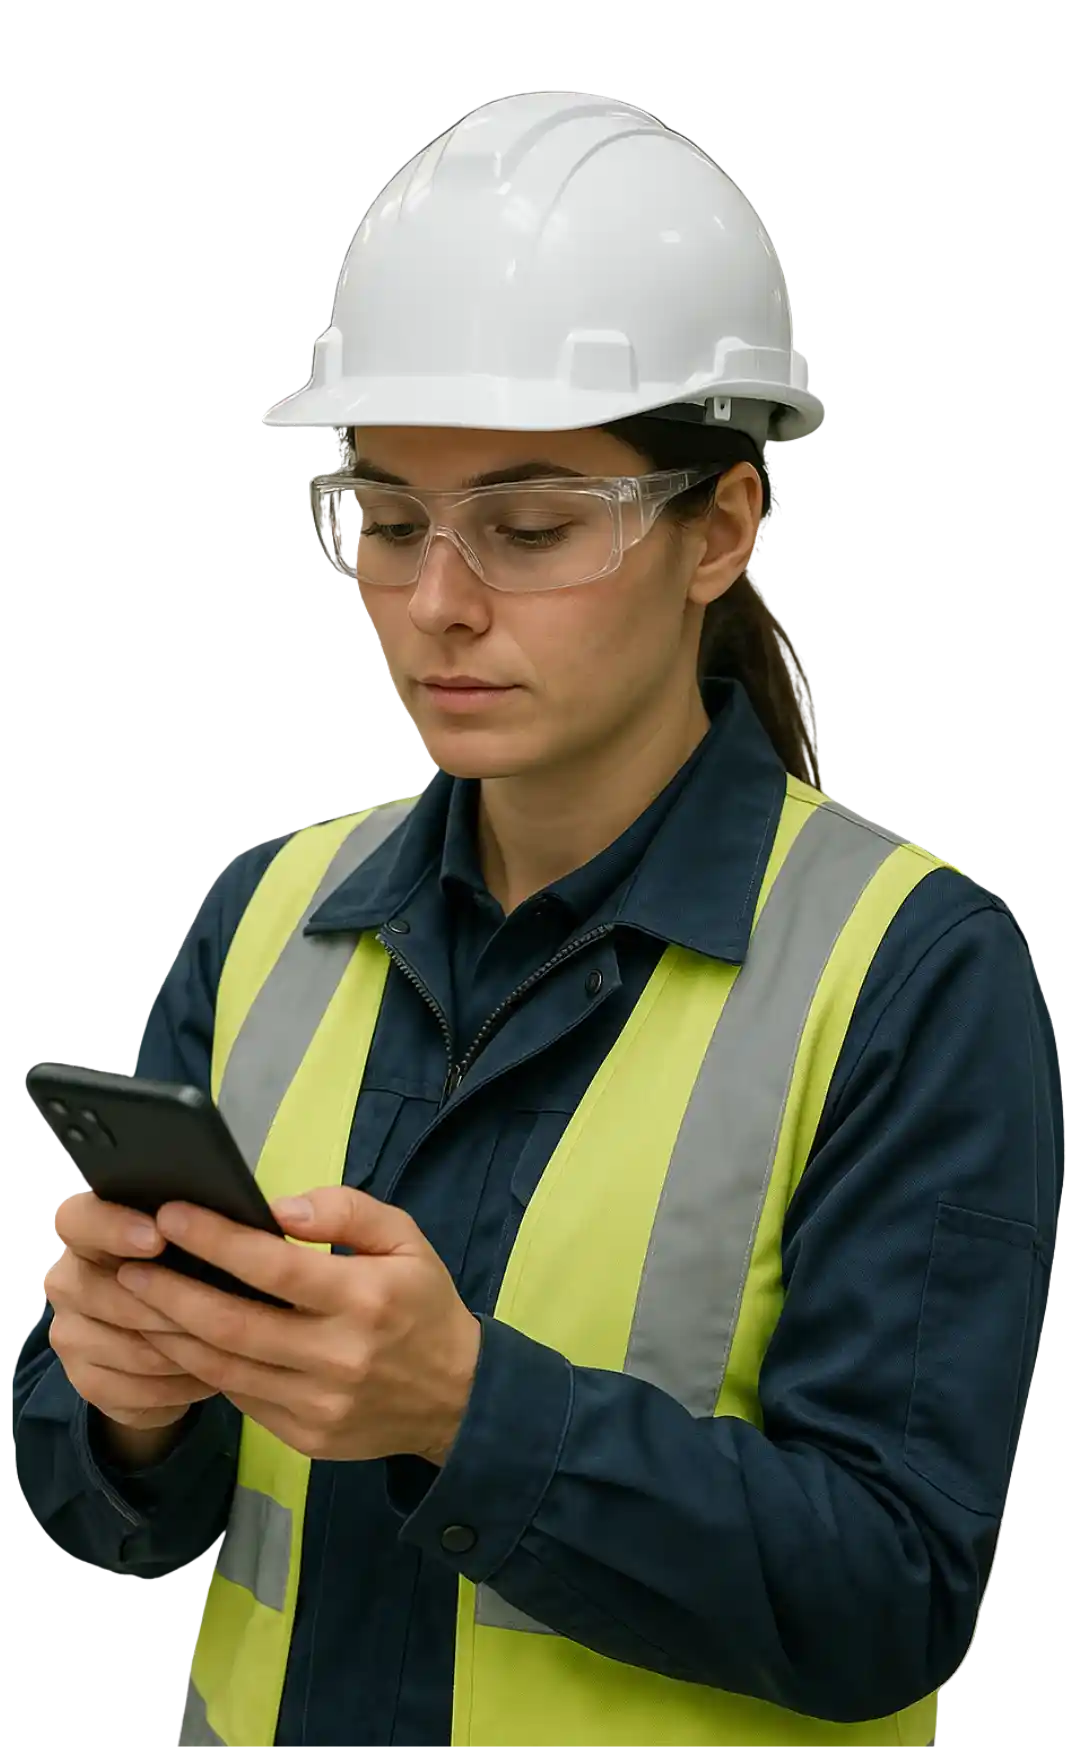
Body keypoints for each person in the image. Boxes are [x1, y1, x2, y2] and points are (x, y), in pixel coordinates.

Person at [11, 89, 1063, 1747]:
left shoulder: (912, 971)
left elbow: (894, 1593)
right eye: (388, 518)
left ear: (720, 526)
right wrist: (128, 1412)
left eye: (530, 523)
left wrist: (464, 1406)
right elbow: (111, 1512)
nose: (439, 600)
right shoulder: (265, 912)